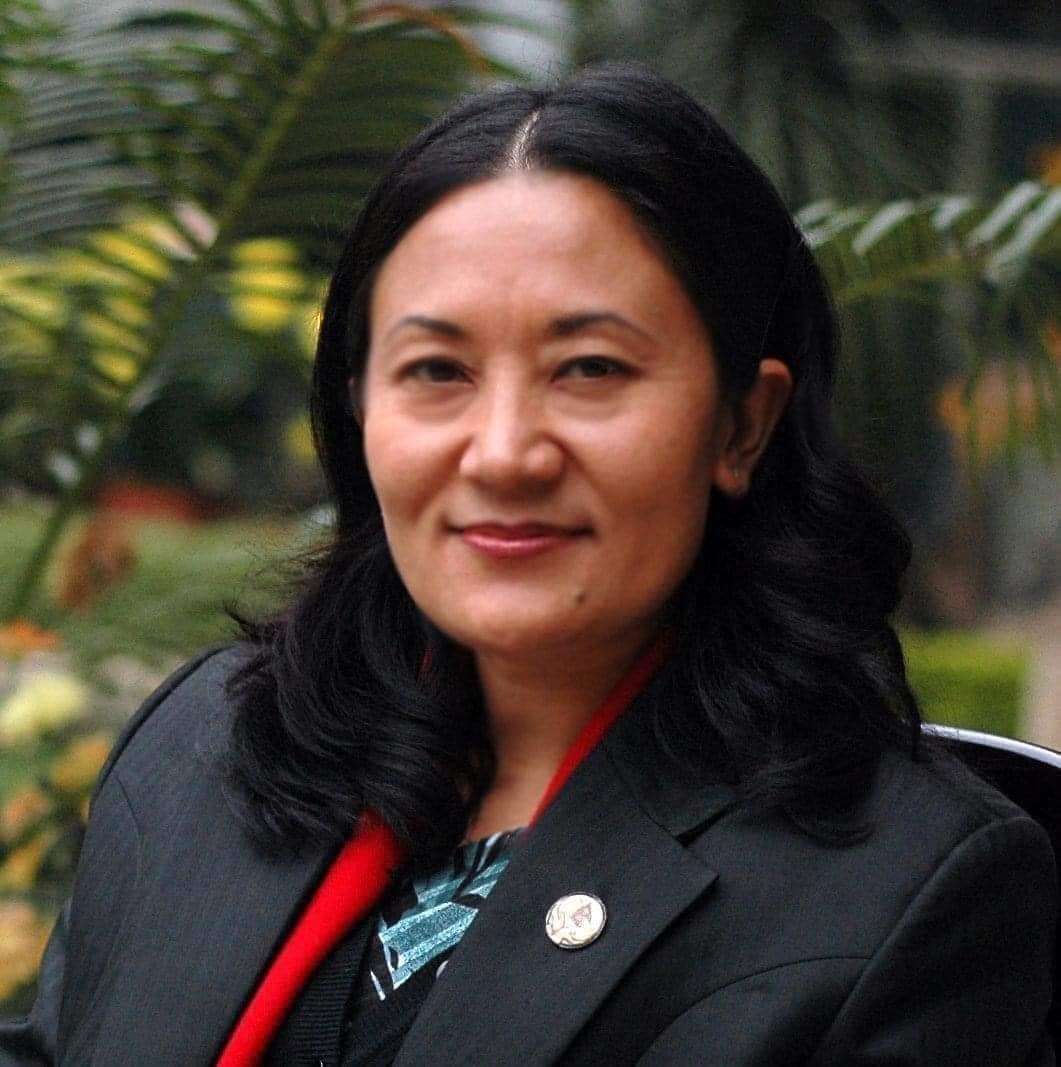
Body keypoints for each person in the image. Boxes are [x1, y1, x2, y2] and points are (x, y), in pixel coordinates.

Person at [1, 64, 1055, 1066]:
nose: (503, 453)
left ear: (742, 423)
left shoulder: (902, 893)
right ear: (359, 409)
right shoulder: (208, 745)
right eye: (436, 369)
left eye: (589, 368)